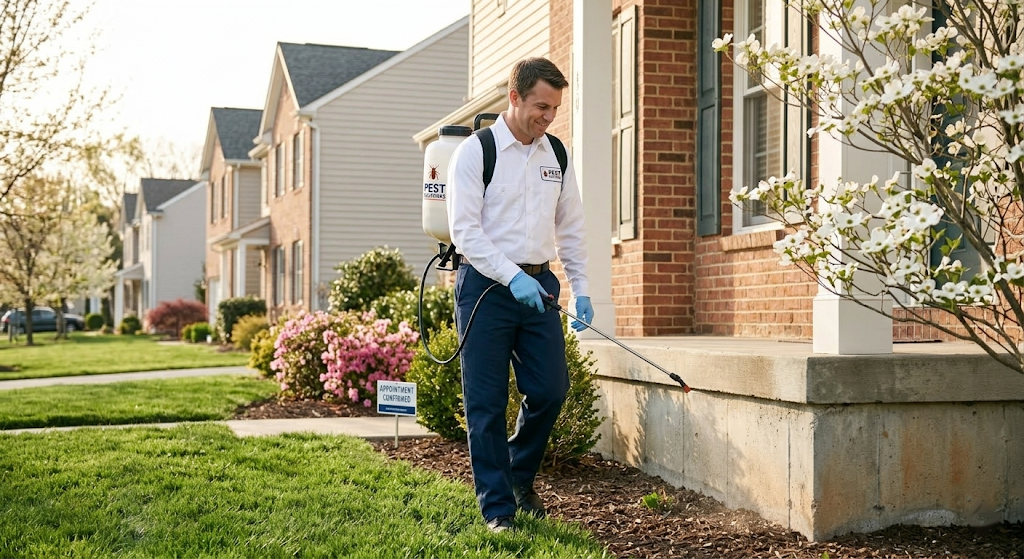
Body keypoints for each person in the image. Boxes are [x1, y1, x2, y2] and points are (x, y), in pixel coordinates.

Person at [446, 57, 594, 533]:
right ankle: (497, 509)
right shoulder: (476, 153)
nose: (548, 117)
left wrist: (582, 289)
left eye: (554, 109)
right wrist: (512, 277)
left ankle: (517, 475)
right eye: (540, 106)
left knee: (551, 390)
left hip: (540, 288)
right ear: (514, 97)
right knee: (485, 403)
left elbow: (570, 229)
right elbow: (465, 232)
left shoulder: (557, 155)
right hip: (485, 289)